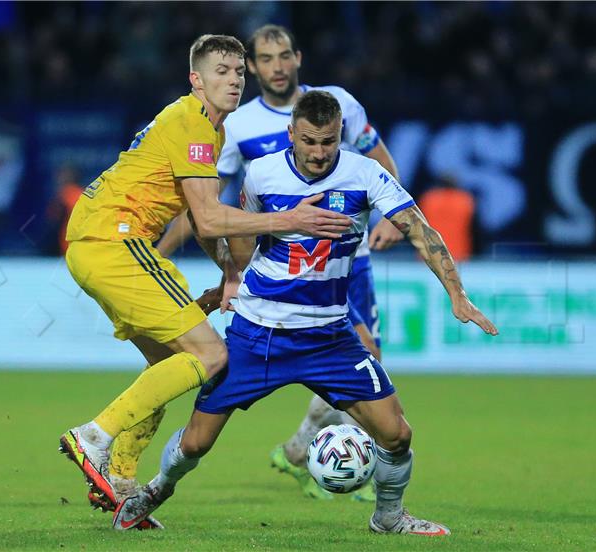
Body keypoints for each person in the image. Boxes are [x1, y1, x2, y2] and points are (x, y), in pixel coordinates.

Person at [112, 91, 498, 535]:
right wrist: (231, 278)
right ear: (291, 133)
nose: (318, 153)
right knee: (197, 441)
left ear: (341, 137)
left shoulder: (364, 174)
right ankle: (155, 490)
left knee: (397, 434)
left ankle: (389, 517)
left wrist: (457, 293)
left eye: (328, 142)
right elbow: (243, 234)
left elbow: (421, 231)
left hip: (330, 338)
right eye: (310, 141)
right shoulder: (263, 174)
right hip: (258, 333)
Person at [57, 35, 352, 528]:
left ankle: (121, 478)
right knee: (211, 355)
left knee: (172, 363)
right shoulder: (191, 122)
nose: (233, 79)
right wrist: (288, 221)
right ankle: (94, 436)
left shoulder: (207, 130)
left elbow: (198, 220)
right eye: (221, 71)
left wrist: (230, 276)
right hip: (117, 239)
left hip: (96, 244)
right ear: (196, 79)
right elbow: (213, 220)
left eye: (239, 71)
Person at [153, 24, 402, 501]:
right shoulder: (237, 127)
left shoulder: (339, 104)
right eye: (266, 59)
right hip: (282, 271)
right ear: (253, 67)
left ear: (298, 57)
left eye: (284, 55)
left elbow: (382, 164)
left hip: (348, 261)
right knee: (359, 355)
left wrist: (393, 216)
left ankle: (317, 451)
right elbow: (208, 207)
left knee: (368, 358)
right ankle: (312, 452)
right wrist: (165, 252)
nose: (278, 66)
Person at [417, 174, 477, 262]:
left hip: (429, 251)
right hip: (458, 252)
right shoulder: (464, 200)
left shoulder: (429, 199)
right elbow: (474, 228)